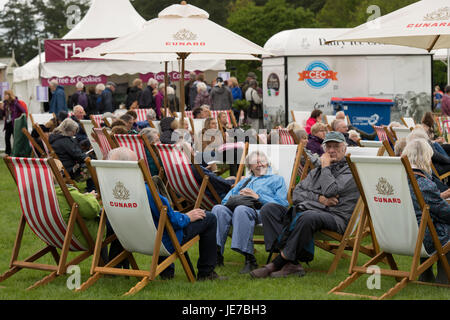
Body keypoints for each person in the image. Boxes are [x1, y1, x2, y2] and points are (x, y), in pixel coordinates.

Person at [251, 132, 360, 278]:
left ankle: (276, 263)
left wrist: (326, 167)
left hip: (337, 217)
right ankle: (291, 263)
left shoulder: (351, 172)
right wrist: (319, 199)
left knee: (306, 216)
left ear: (344, 149)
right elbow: (297, 194)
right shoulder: (316, 172)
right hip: (314, 210)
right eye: (328, 147)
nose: (331, 150)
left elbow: (330, 190)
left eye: (336, 147)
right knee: (269, 209)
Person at [107, 147, 225, 281]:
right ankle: (206, 273)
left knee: (159, 221)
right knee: (209, 218)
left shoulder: (109, 190)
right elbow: (171, 220)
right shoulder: (144, 190)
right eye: (137, 162)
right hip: (159, 241)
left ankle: (167, 272)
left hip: (129, 239)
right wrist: (187, 216)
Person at [212, 150, 289, 274]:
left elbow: (282, 204)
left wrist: (258, 197)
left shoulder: (276, 179)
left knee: (241, 210)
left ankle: (249, 258)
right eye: (255, 162)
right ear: (250, 167)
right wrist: (238, 198)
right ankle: (216, 254)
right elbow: (225, 200)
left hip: (261, 212)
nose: (259, 164)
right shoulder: (244, 181)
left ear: (267, 163)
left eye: (262, 161)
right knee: (218, 209)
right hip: (239, 209)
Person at [402, 139, 450, 284]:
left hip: (402, 233)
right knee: (444, 227)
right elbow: (446, 214)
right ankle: (444, 278)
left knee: (428, 221)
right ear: (425, 157)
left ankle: (425, 273)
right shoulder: (423, 184)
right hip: (422, 237)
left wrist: (440, 197)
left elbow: (417, 202)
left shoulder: (399, 179)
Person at [53, 159, 100, 249]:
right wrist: (91, 197)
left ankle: (103, 262)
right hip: (80, 238)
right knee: (119, 225)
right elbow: (92, 210)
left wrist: (83, 197)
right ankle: (116, 263)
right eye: (61, 171)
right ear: (57, 174)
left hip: (57, 238)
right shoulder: (65, 192)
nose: (62, 174)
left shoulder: (39, 194)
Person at [0, 90, 27, 155]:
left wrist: (19, 119)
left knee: (15, 139)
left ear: (9, 95)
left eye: (6, 94)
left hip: (14, 124)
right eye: (4, 95)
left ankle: (16, 151)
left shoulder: (15, 103)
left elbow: (23, 110)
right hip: (8, 123)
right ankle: (8, 152)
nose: (4, 96)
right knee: (7, 138)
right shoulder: (5, 103)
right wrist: (3, 114)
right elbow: (4, 113)